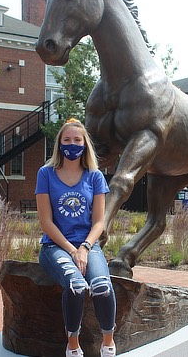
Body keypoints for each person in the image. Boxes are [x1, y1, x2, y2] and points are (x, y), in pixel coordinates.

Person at [35, 118, 116, 357]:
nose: (72, 144)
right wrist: (72, 250)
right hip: (55, 246)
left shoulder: (95, 176)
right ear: (59, 144)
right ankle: (72, 346)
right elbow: (45, 222)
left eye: (77, 140)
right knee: (76, 285)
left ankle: (108, 344)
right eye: (67, 140)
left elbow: (99, 222)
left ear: (85, 144)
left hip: (88, 246)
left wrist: (85, 248)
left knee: (102, 286)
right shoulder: (46, 173)